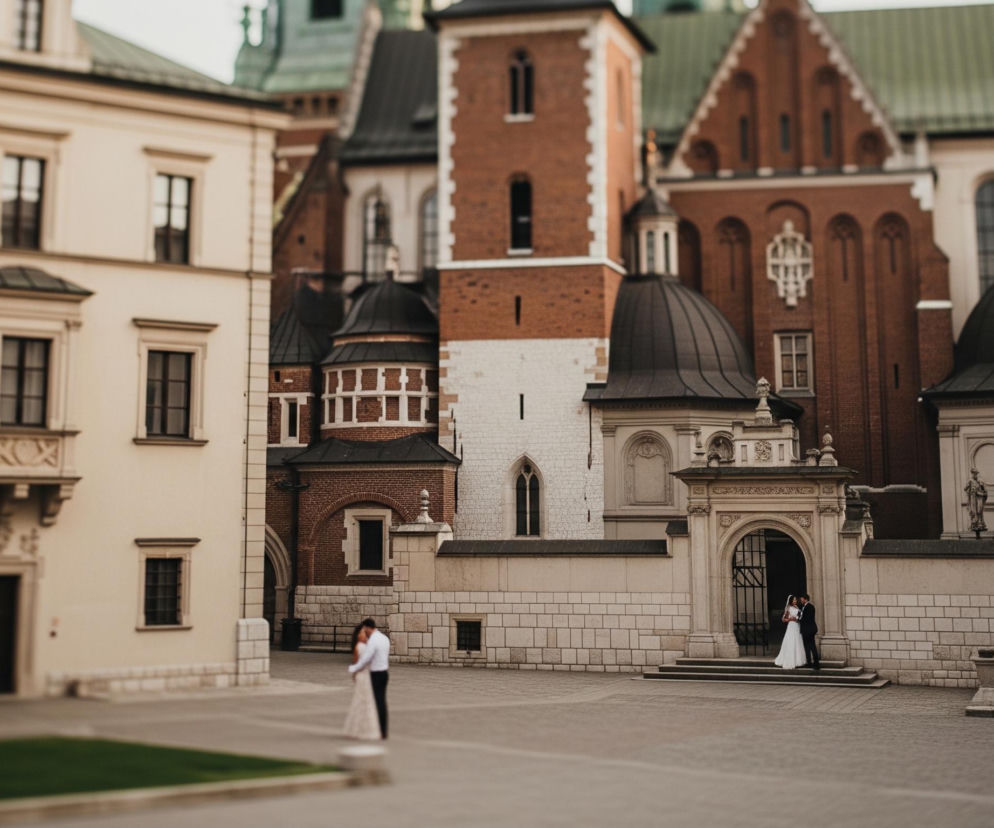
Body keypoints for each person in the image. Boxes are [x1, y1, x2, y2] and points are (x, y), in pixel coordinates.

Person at [349, 618, 390, 739]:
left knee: (375, 702)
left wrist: (353, 668)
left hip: (375, 674)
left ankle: (375, 729)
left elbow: (366, 658)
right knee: (382, 701)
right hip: (384, 672)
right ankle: (383, 730)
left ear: (367, 627)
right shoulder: (384, 638)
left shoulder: (373, 640)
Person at [343, 624, 381, 740]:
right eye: (360, 633)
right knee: (363, 700)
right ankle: (362, 729)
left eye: (362, 633)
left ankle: (361, 728)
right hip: (365, 676)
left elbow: (357, 663)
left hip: (364, 676)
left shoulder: (363, 647)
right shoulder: (365, 647)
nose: (360, 635)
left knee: (364, 700)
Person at [773, 594, 806, 670]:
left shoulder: (797, 607)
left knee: (797, 641)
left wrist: (797, 619)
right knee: (791, 641)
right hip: (791, 626)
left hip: (797, 626)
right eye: (794, 600)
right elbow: (783, 619)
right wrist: (791, 619)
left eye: (795, 600)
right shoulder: (788, 608)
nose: (795, 601)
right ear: (791, 601)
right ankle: (789, 660)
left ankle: (798, 660)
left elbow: (799, 616)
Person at [798, 594, 820, 669]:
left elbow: (806, 619)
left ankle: (816, 664)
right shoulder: (803, 607)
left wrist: (799, 619)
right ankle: (809, 662)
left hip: (810, 630)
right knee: (806, 647)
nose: (801, 601)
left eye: (802, 599)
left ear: (806, 599)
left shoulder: (810, 607)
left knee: (812, 647)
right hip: (805, 630)